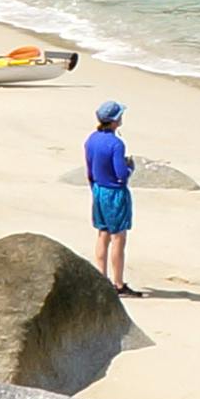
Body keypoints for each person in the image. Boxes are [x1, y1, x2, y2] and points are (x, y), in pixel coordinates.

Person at [85, 101, 134, 293]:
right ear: (114, 121)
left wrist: (94, 187)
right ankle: (118, 283)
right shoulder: (116, 144)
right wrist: (130, 167)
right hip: (114, 192)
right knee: (118, 238)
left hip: (98, 189)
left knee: (102, 234)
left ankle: (101, 278)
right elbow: (121, 174)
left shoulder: (91, 139)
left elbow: (90, 170)